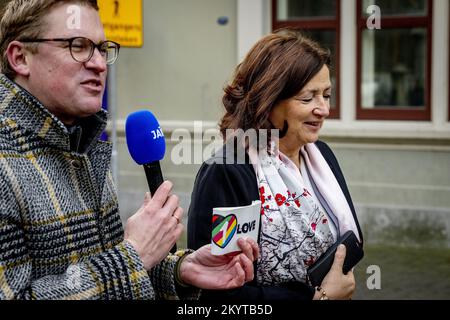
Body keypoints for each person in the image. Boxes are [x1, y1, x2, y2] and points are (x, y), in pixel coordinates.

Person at [0, 0, 258, 300]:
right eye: (78, 45)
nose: (98, 63)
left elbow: (101, 269)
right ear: (20, 57)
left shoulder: (84, 146)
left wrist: (179, 271)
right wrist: (134, 253)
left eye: (101, 48)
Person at [188, 29, 363, 300]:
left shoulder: (322, 156)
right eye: (308, 98)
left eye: (326, 95)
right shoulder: (228, 170)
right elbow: (218, 295)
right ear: (268, 100)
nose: (324, 109)